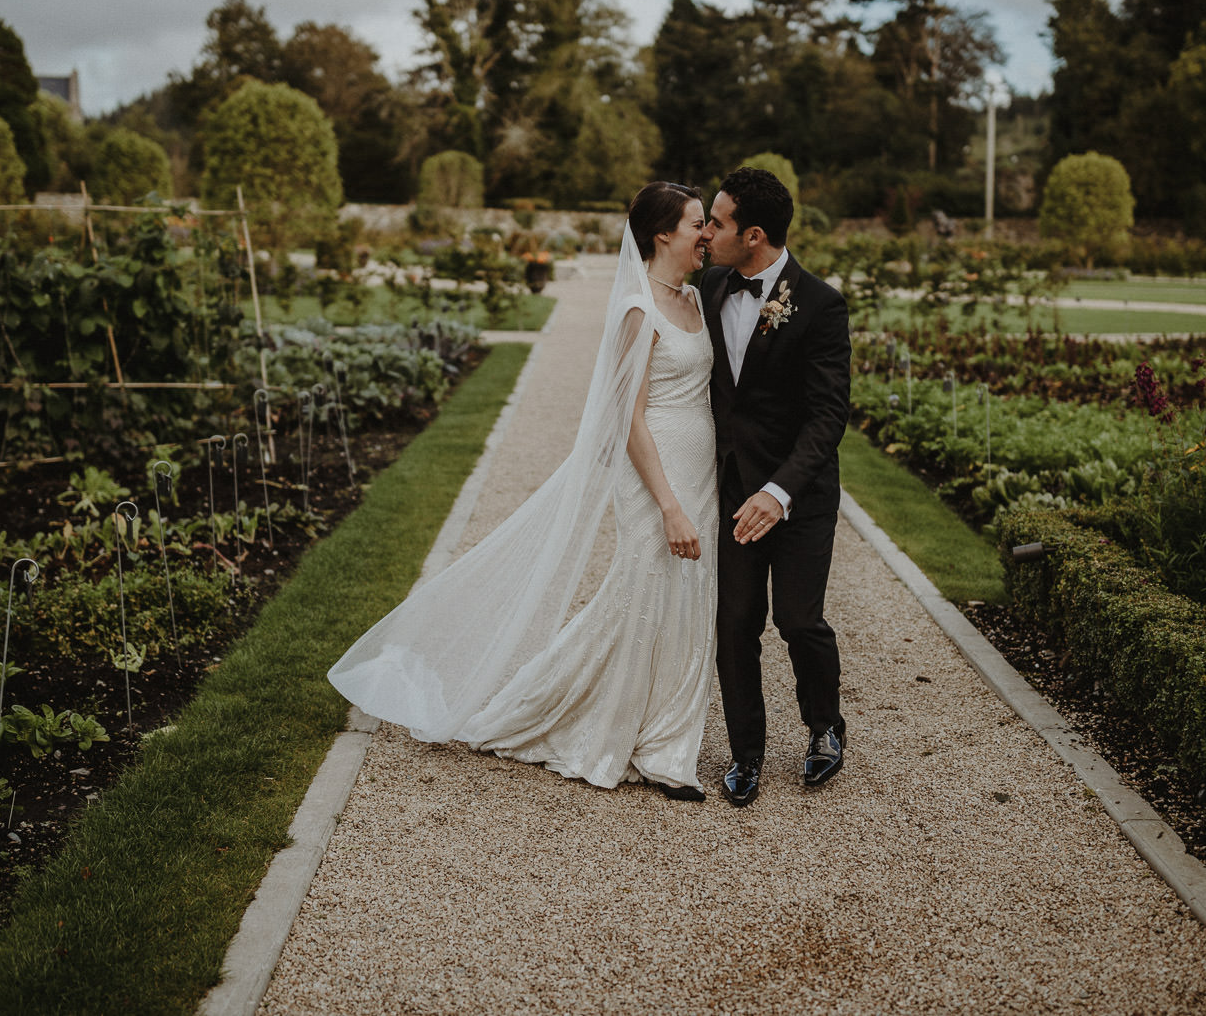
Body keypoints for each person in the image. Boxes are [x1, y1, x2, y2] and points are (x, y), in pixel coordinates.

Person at [328, 182, 718, 800]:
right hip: (655, 477)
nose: (709, 234)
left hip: (702, 471)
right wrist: (669, 504)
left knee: (689, 598)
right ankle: (593, 724)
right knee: (643, 591)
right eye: (699, 223)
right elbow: (630, 419)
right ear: (663, 233)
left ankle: (666, 738)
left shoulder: (695, 299)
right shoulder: (638, 307)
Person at [697, 166, 851, 808]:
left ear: (753, 235)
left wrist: (779, 492)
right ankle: (746, 752)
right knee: (735, 622)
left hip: (799, 496)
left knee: (797, 618)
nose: (705, 233)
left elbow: (827, 416)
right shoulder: (706, 288)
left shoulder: (819, 304)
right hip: (731, 489)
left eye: (717, 222)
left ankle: (825, 728)